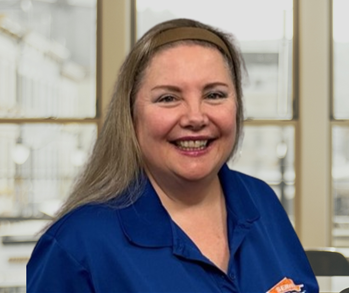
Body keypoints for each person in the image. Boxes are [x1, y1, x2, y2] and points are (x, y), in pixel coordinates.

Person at [27, 18, 319, 293]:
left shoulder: (261, 200)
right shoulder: (76, 245)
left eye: (214, 95)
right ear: (131, 116)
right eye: (168, 98)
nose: (195, 117)